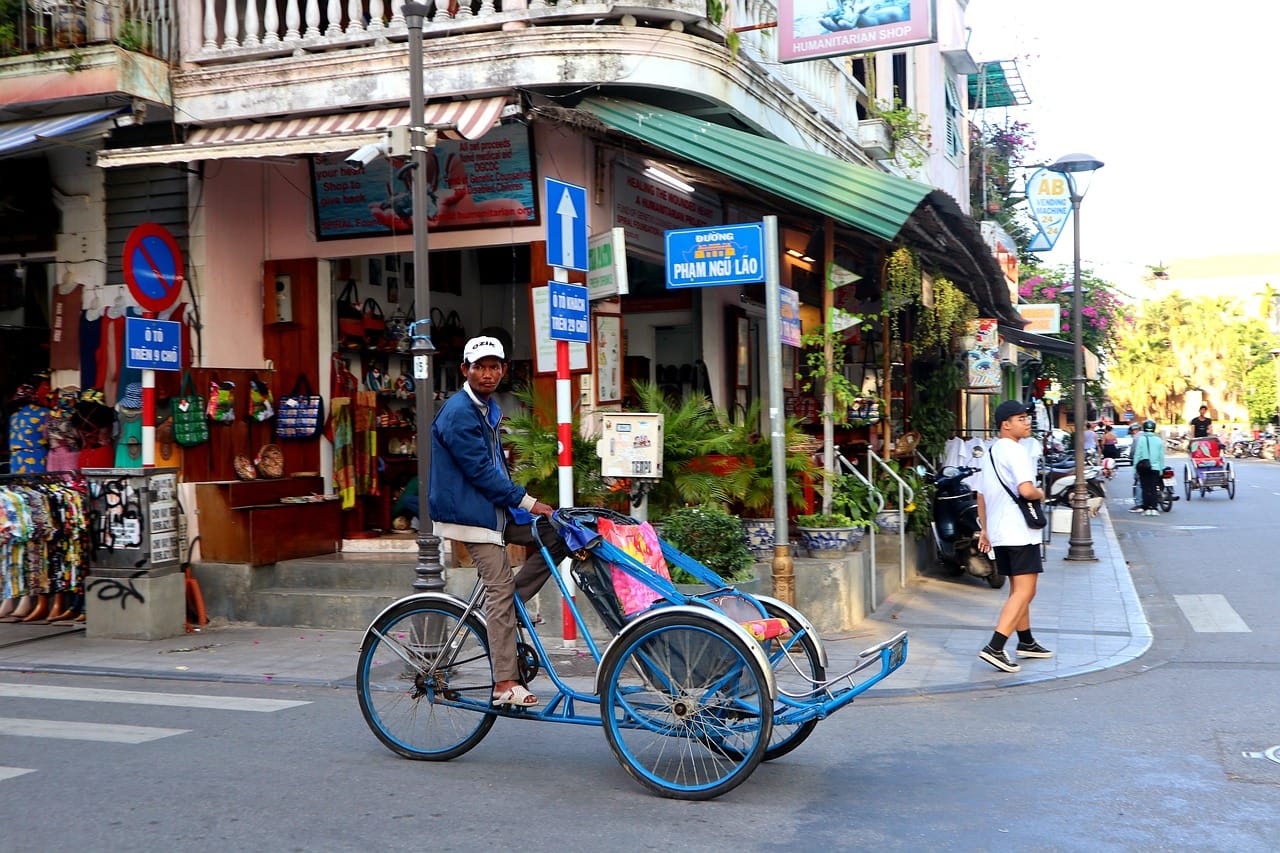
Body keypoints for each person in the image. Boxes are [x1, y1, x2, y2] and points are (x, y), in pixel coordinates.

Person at [429, 335, 570, 708]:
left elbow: (496, 470)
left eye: (494, 367)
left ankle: (510, 608)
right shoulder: (459, 411)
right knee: (499, 586)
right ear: (466, 370)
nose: (488, 373)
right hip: (470, 517)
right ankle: (504, 683)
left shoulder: (487, 408)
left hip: (496, 512)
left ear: (503, 370)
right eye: (480, 367)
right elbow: (478, 471)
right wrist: (528, 501)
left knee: (558, 535)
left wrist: (525, 508)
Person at [975, 400, 1052, 673]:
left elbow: (980, 495)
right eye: (1020, 418)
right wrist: (1041, 493)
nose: (1027, 422)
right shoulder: (1016, 451)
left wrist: (985, 529)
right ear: (1005, 424)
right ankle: (995, 646)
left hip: (999, 531)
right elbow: (1027, 490)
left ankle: (1027, 641)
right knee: (1026, 590)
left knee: (1018, 588)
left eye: (1027, 417)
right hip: (1019, 531)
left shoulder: (990, 452)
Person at [1129, 419, 1166, 516]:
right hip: (1156, 468)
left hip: (1144, 468)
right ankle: (1154, 508)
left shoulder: (1141, 439)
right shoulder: (1158, 440)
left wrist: (1135, 468)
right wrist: (1161, 469)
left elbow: (1137, 454)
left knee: (1145, 488)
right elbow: (1161, 456)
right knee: (1153, 488)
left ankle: (1146, 508)